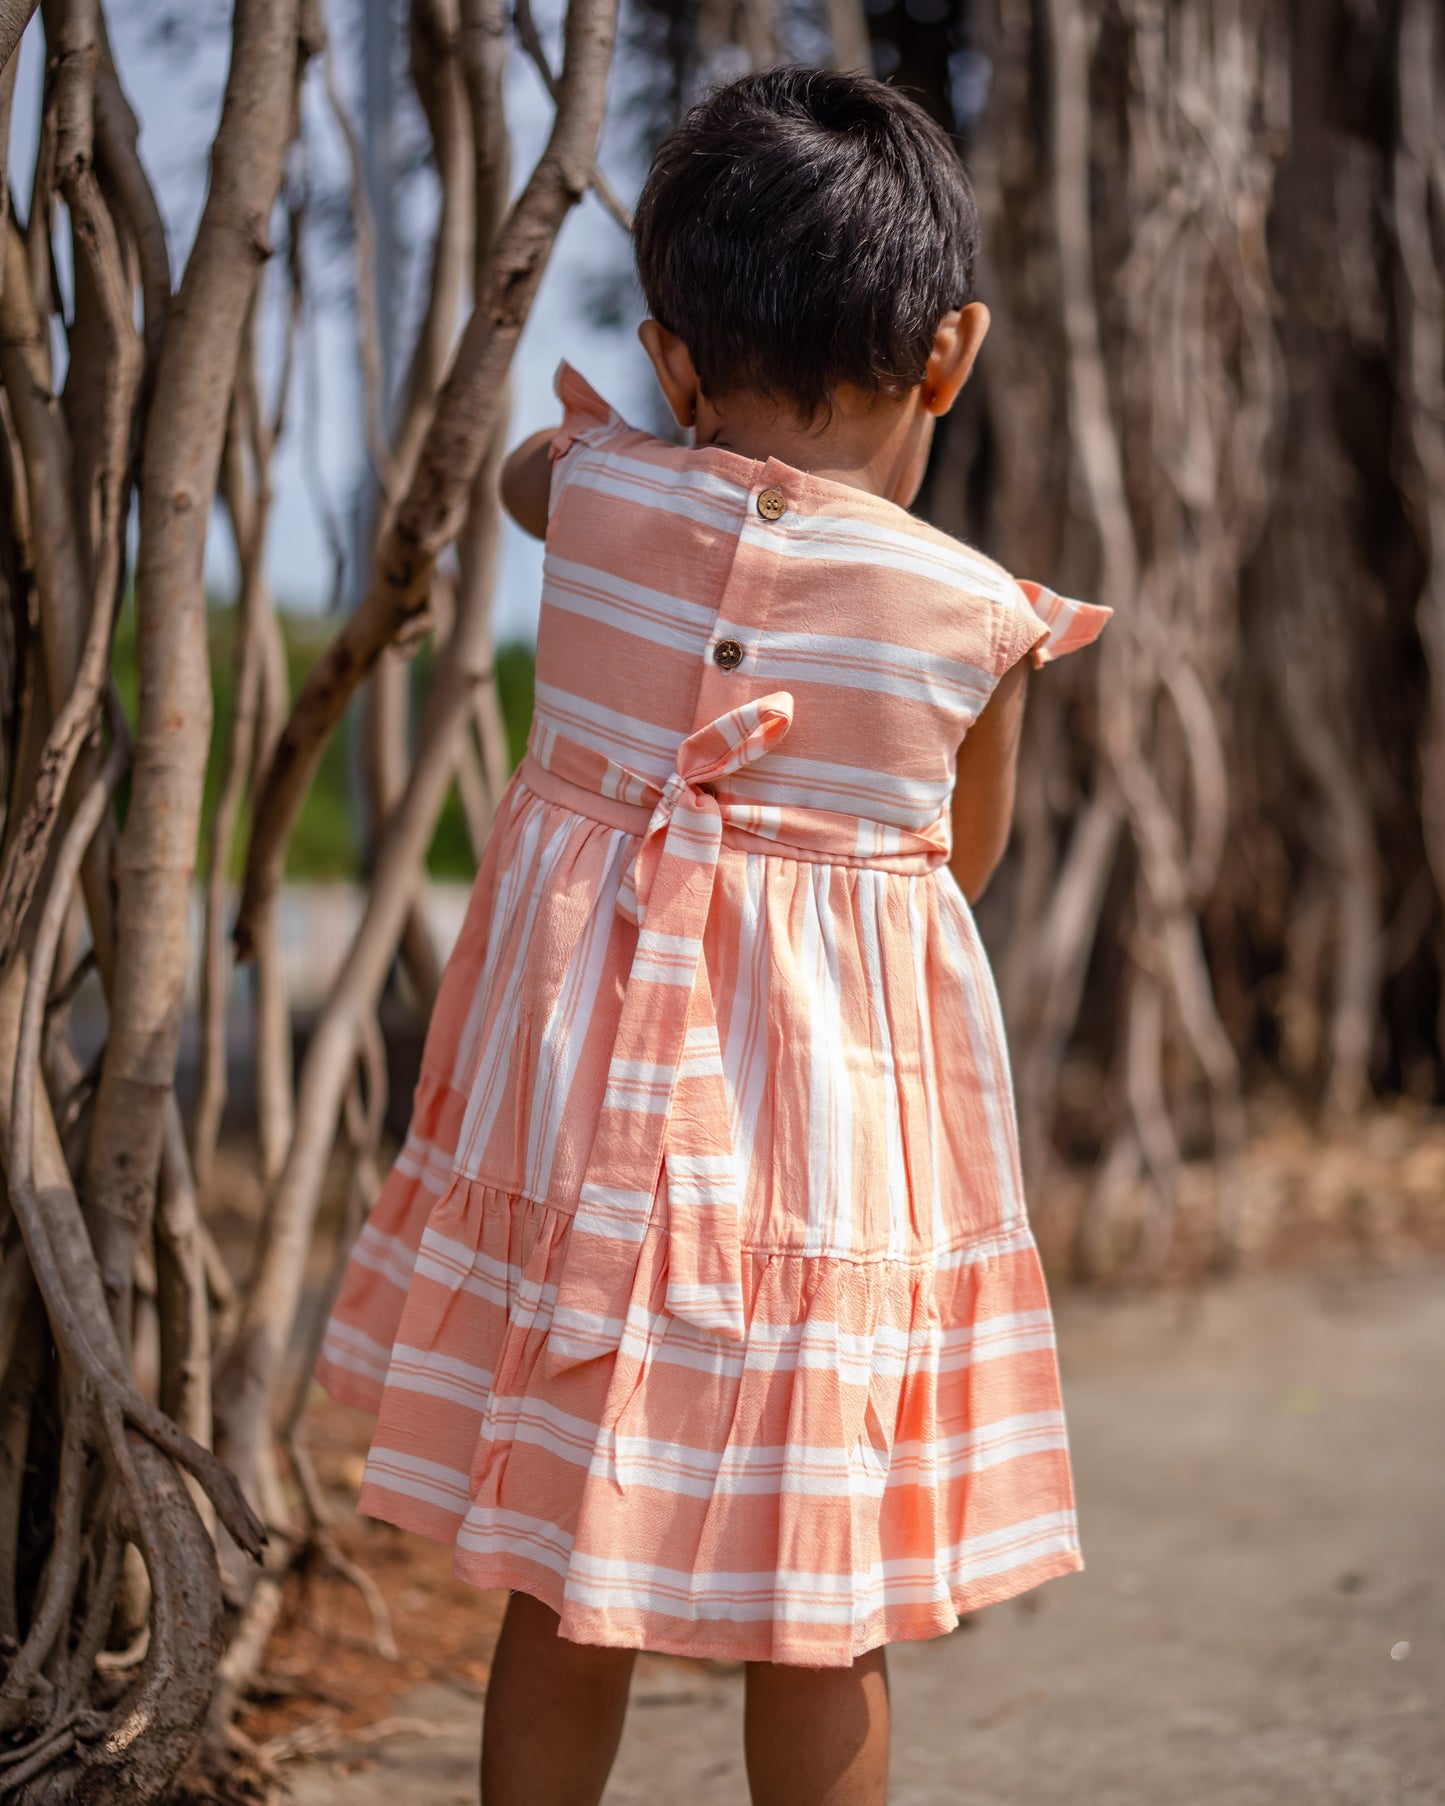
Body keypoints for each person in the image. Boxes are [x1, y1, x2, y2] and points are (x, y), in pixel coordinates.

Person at [315, 65, 1110, 1806]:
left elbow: (532, 470)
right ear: (947, 353)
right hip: (819, 1176)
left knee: (564, 1561)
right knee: (818, 1611)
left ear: (673, 361)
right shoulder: (978, 621)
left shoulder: (597, 498)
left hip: (586, 1149)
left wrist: (650, 453)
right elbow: (948, 863)